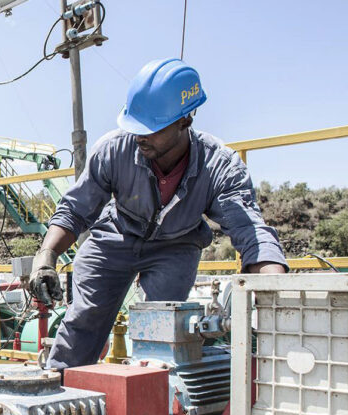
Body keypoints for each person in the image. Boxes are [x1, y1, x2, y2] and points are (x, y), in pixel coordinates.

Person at [29, 58, 287, 370]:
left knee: (161, 331)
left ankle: (152, 404)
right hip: (116, 236)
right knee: (85, 317)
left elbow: (250, 231)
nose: (139, 136)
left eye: (150, 128)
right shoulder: (114, 150)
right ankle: (58, 393)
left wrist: (275, 289)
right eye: (134, 125)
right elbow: (75, 209)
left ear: (184, 121)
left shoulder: (219, 166)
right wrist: (45, 257)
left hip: (176, 246)